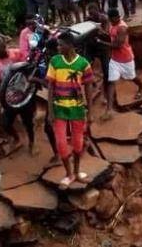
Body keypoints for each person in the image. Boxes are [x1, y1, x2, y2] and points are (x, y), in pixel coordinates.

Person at [46, 32, 94, 190]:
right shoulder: (54, 62)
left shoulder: (83, 64)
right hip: (59, 110)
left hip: (77, 109)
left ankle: (77, 172)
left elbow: (88, 88)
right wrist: (50, 111)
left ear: (71, 46)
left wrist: (90, 112)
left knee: (78, 144)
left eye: (61, 45)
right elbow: (51, 88)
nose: (58, 47)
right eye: (58, 45)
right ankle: (69, 174)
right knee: (61, 144)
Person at [0, 37, 37, 154]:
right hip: (9, 98)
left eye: (2, 49)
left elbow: (28, 70)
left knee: (28, 122)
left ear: (5, 46)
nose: (0, 52)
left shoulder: (16, 54)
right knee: (6, 123)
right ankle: (17, 139)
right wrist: (4, 90)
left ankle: (32, 143)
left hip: (23, 94)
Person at [97, 8, 142, 120]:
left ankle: (141, 87)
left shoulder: (122, 28)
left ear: (116, 17)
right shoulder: (112, 24)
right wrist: (102, 33)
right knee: (111, 81)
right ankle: (109, 110)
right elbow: (111, 36)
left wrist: (101, 42)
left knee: (131, 77)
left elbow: (118, 45)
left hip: (126, 59)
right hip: (115, 59)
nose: (110, 21)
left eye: (111, 19)